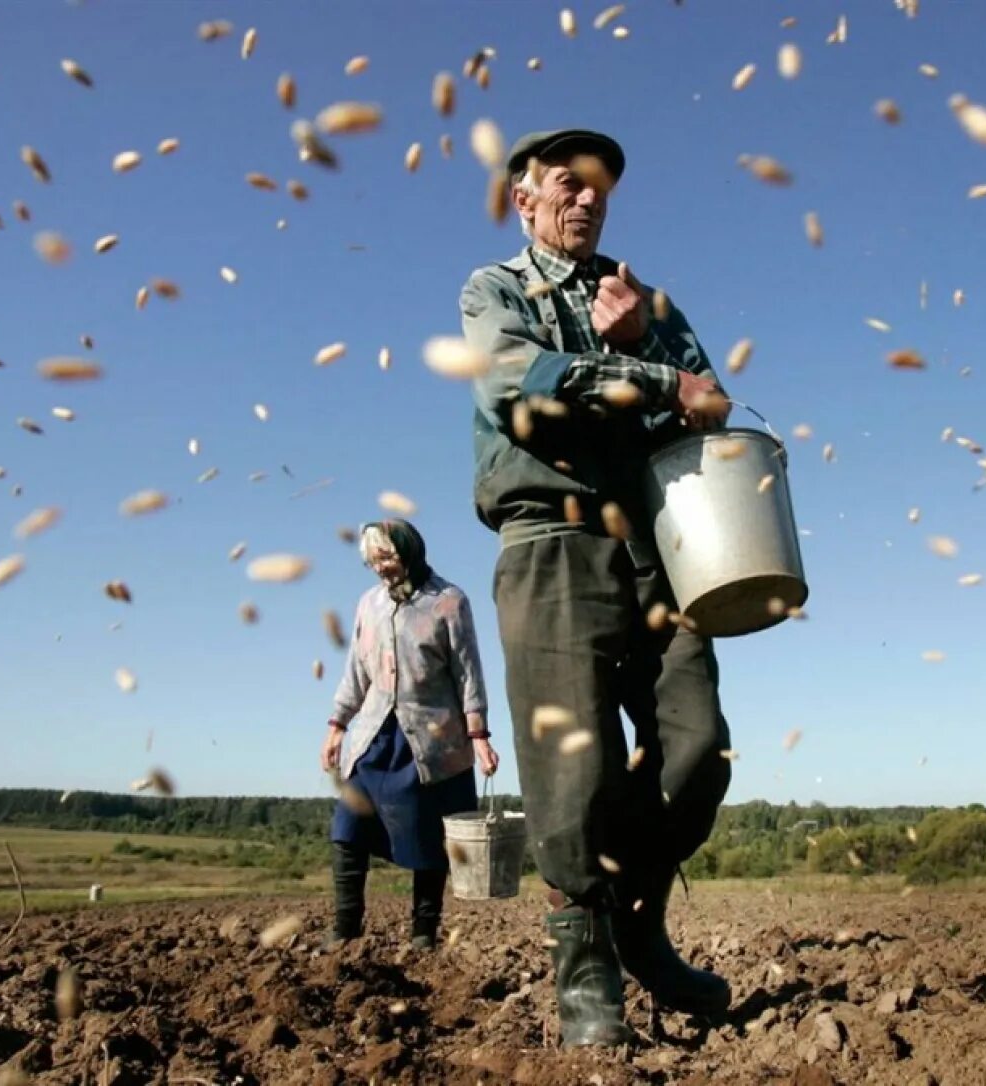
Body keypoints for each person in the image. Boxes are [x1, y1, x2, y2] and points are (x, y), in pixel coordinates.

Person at [460, 128, 734, 1046]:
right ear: (524, 201)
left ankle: (638, 923)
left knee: (696, 747)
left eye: (600, 189)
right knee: (570, 771)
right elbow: (525, 391)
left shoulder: (642, 298)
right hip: (551, 538)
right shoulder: (492, 291)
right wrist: (648, 370)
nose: (587, 200)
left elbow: (713, 402)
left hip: (656, 541)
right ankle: (586, 972)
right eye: (566, 186)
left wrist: (649, 341)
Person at [320, 519, 500, 950]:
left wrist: (478, 735)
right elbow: (356, 672)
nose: (380, 568)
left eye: (386, 557)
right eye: (372, 561)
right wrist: (336, 725)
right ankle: (345, 930)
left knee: (428, 840)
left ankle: (423, 934)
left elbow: (468, 672)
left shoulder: (448, 602)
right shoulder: (369, 604)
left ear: (410, 552)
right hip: (374, 737)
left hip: (433, 744)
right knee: (348, 827)